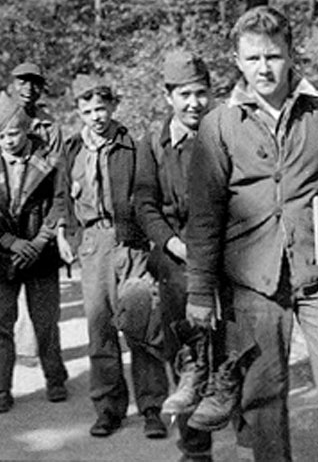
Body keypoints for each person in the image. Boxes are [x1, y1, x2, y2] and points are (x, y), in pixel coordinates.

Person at [185, 6, 318, 461]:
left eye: (273, 56)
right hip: (253, 287)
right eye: (253, 58)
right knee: (261, 404)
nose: (264, 68)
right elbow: (204, 217)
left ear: (291, 54)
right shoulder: (219, 124)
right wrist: (200, 292)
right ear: (237, 60)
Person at [60, 74, 168, 439]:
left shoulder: (133, 146)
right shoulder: (73, 150)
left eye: (101, 108)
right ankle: (108, 408)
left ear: (113, 107)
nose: (96, 117)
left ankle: (152, 407)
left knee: (141, 323)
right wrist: (66, 233)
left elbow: (150, 195)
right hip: (93, 244)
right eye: (87, 111)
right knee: (100, 328)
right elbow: (63, 197)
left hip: (131, 243)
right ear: (79, 112)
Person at [134, 50, 217, 461]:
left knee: (234, 353)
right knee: (188, 357)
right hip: (175, 260)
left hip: (225, 256)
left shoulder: (226, 135)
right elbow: (144, 205)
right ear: (169, 97)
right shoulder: (152, 144)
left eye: (201, 93)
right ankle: (196, 449)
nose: (194, 103)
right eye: (185, 95)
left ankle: (251, 443)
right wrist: (174, 245)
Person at [0, 92, 70, 413]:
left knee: (46, 321)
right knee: (1, 322)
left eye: (13, 134)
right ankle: (1, 388)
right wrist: (11, 243)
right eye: (1, 136)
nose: (8, 141)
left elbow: (60, 202)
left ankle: (55, 378)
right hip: (3, 256)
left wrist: (40, 241)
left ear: (26, 129)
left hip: (42, 253)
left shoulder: (50, 161)